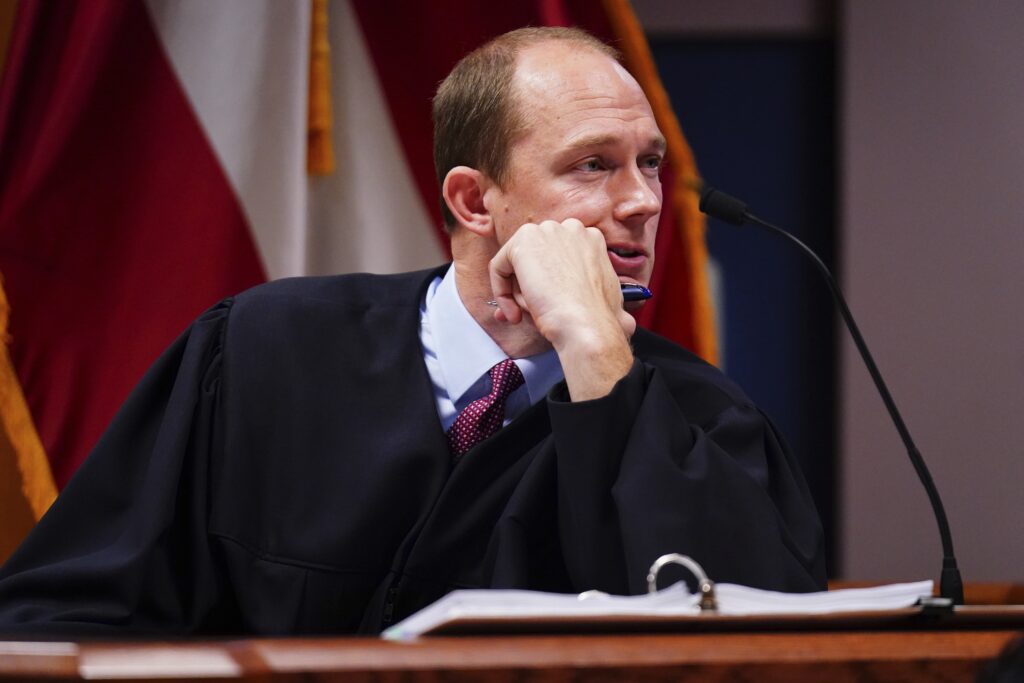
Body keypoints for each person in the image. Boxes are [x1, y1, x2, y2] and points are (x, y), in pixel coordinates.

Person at [0, 27, 825, 636]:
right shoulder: (264, 353)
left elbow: (755, 643)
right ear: (474, 201)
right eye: (594, 165)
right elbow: (61, 609)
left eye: (650, 162)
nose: (644, 200)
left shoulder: (702, 416)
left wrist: (602, 359)